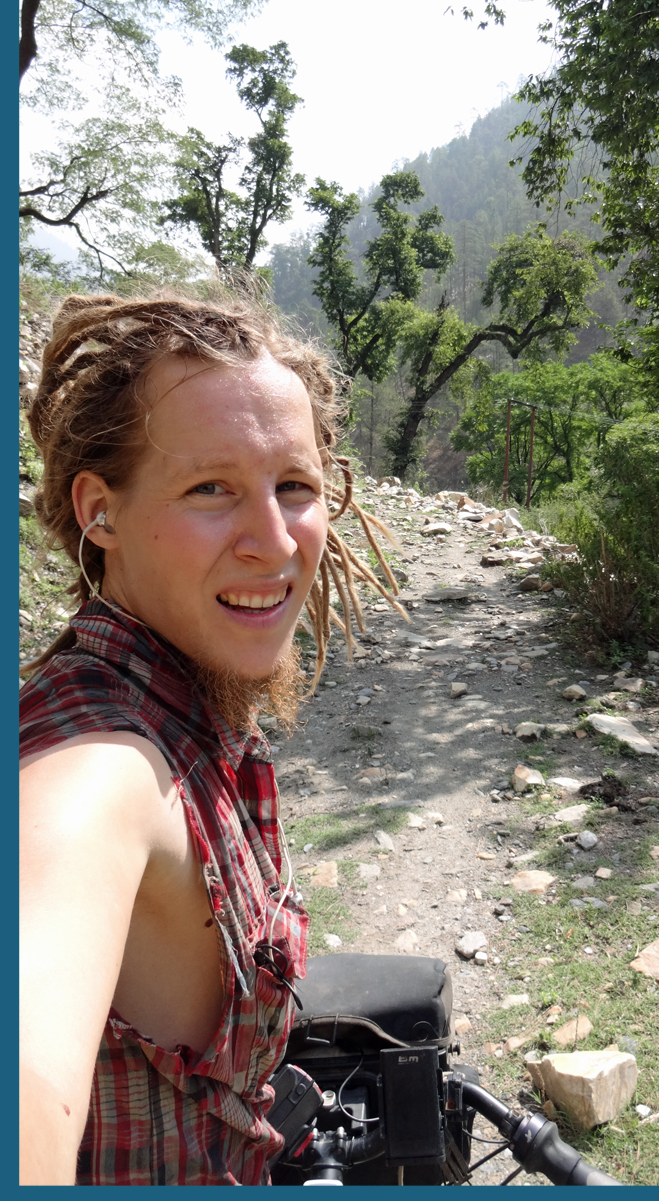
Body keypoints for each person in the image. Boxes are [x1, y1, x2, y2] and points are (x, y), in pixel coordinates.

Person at [19, 290, 400, 1184]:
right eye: (210, 489)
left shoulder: (186, 702)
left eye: (294, 486)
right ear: (99, 512)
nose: (273, 543)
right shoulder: (100, 771)